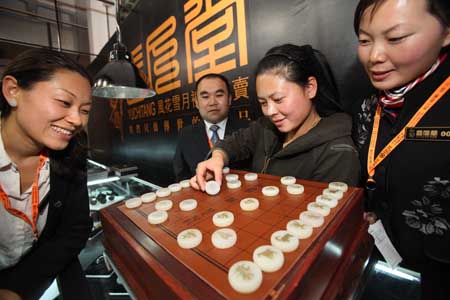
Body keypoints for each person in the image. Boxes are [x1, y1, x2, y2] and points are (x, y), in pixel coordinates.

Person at [353, 0, 450, 299]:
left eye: (395, 38)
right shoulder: (370, 106)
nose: (375, 56)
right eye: (365, 41)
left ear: (446, 32)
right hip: (390, 269)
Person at [191, 44, 360, 190]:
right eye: (263, 103)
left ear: (310, 88)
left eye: (278, 99)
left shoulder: (338, 153)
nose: (270, 111)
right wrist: (218, 157)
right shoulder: (265, 128)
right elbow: (234, 143)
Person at [0, 48, 93, 300]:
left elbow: (76, 228)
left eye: (84, 110)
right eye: (64, 102)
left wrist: (18, 287)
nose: (76, 120)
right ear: (12, 91)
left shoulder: (73, 152)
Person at [173, 73, 248, 181]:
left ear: (229, 99)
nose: (212, 102)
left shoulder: (247, 129)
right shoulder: (186, 134)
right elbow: (181, 177)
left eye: (219, 95)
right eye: (205, 97)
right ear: (197, 103)